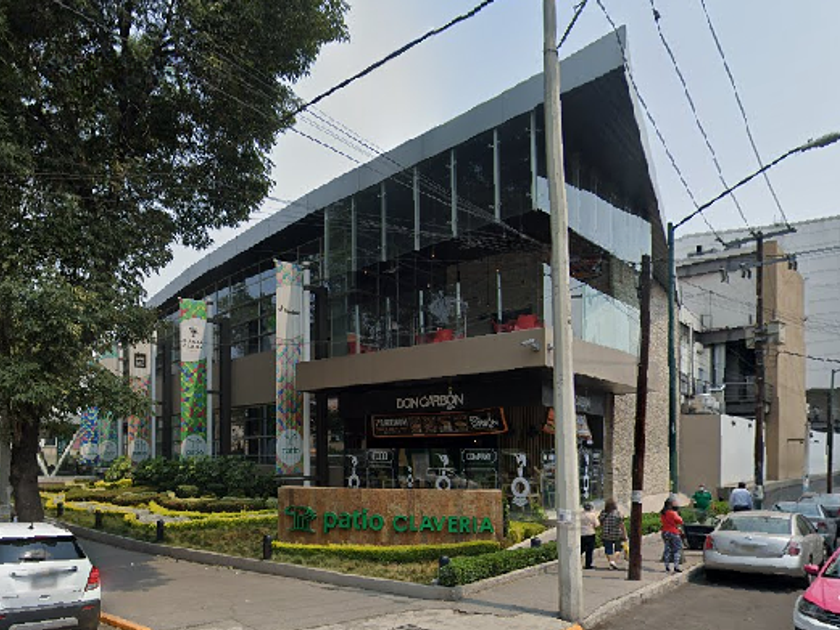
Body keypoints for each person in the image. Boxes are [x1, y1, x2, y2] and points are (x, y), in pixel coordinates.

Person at [599, 498, 626, 570]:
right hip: (616, 533)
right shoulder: (618, 513)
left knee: (608, 549)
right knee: (618, 549)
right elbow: (622, 524)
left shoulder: (603, 513)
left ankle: (611, 562)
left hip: (606, 534)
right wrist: (624, 534)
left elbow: (600, 523)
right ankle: (613, 561)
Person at [660, 498, 684, 573]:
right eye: (675, 503)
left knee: (667, 549)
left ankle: (667, 566)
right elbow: (680, 521)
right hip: (674, 532)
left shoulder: (663, 513)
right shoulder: (673, 513)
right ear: (670, 504)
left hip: (665, 532)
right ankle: (676, 566)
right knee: (677, 549)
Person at [580, 502, 600, 569]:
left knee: (581, 549)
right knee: (589, 550)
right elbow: (597, 524)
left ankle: (577, 562)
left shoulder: (580, 515)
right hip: (590, 533)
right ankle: (588, 564)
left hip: (581, 534)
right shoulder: (592, 515)